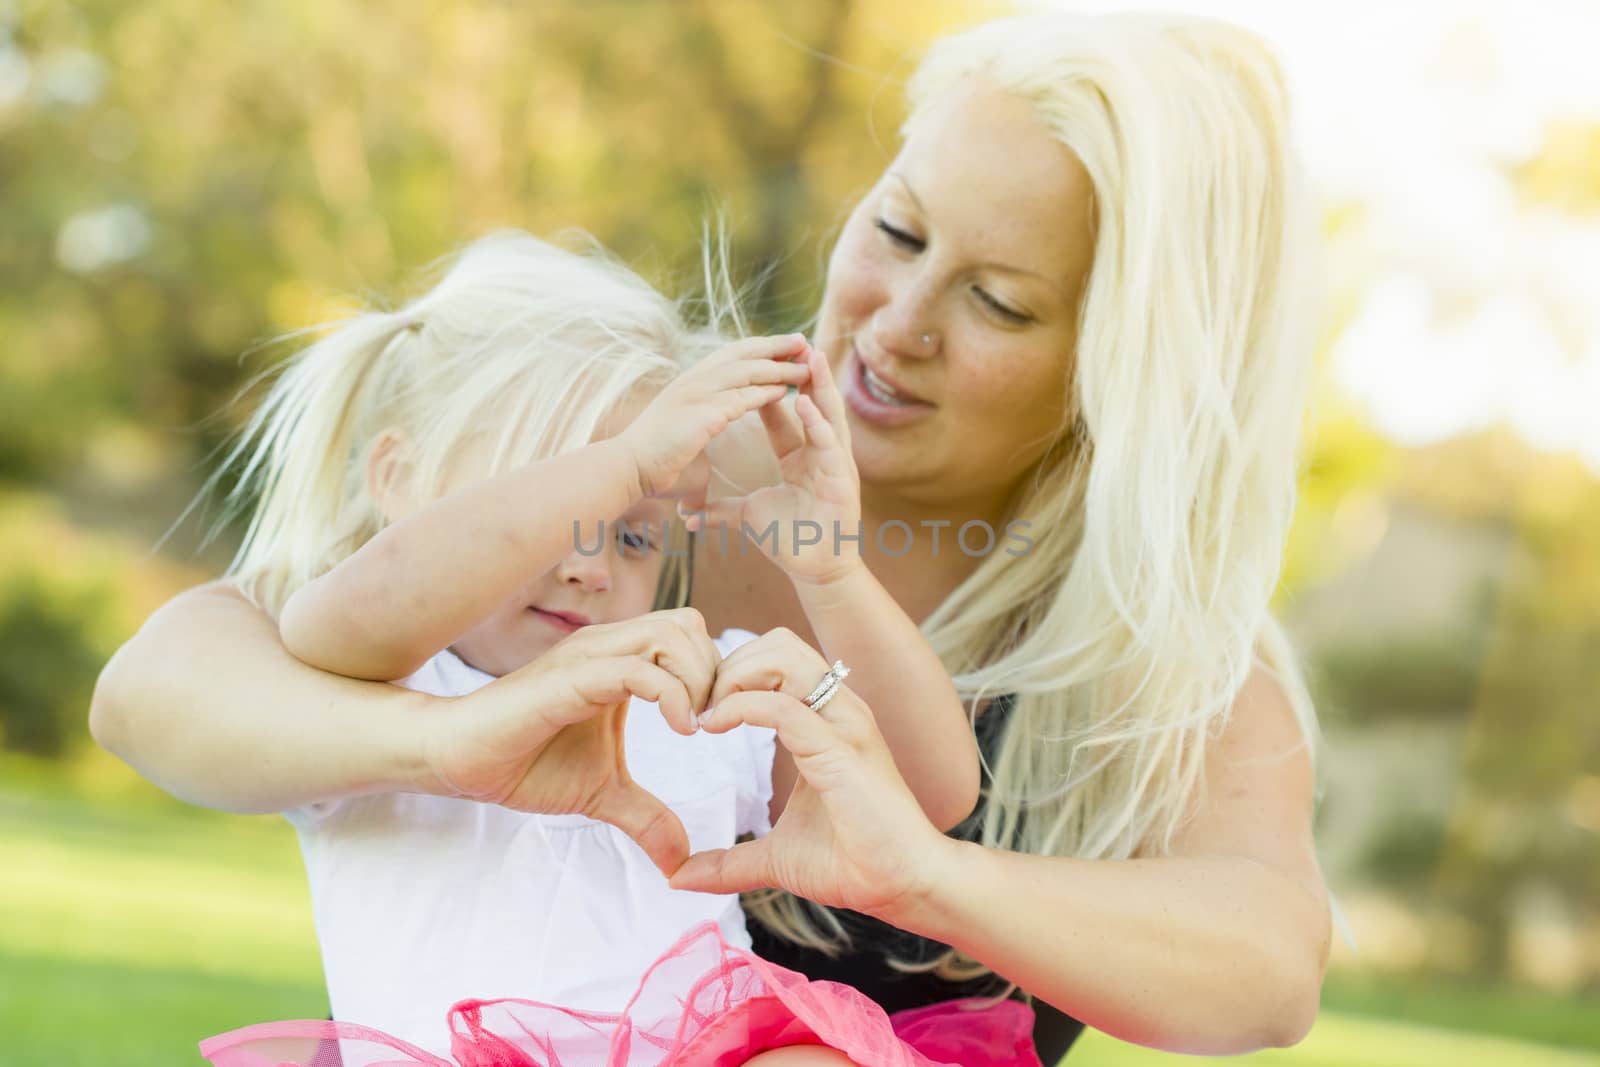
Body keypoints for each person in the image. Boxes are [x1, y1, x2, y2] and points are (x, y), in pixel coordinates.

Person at [92, 9, 1332, 1062]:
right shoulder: (643, 463)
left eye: (997, 301)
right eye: (897, 231)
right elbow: (166, 682)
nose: (895, 322)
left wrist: (924, 874)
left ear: (1125, 372)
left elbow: (1269, 972)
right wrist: (440, 738)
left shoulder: (1161, 666)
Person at [139, 230, 991, 1066]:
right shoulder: (363, 682)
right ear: (398, 480)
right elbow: (357, 608)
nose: (587, 565)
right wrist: (625, 463)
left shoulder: (691, 688)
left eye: (630, 534)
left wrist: (835, 572)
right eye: (551, 506)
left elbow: (931, 790)